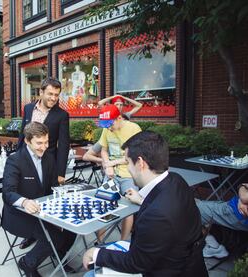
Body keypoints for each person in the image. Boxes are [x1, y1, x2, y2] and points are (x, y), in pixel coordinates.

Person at [83, 131, 208, 276]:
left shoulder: (157, 215)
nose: (127, 168)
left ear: (140, 163)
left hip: (168, 270)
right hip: (188, 262)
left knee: (90, 273)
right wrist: (142, 200)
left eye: (128, 162)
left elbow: (135, 263)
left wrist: (96, 254)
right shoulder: (176, 179)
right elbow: (166, 212)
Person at [2, 122, 75, 277]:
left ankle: (59, 254)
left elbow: (53, 185)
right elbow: (8, 192)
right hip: (19, 214)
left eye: (46, 142)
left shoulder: (49, 158)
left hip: (43, 210)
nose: (44, 147)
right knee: (55, 236)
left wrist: (64, 195)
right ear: (28, 141)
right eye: (39, 143)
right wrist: (24, 201)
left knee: (73, 226)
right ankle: (27, 262)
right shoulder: (15, 160)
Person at [17, 77, 70, 249]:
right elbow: (23, 136)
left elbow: (63, 145)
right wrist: (17, 158)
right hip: (26, 163)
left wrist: (61, 173)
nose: (53, 98)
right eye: (50, 94)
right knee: (28, 199)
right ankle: (30, 234)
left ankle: (48, 237)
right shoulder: (28, 108)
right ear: (41, 92)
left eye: (56, 95)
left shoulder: (62, 115)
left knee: (45, 201)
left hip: (49, 166)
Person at [98, 104, 141, 240]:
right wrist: (107, 165)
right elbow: (104, 150)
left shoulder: (134, 129)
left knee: (128, 210)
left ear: (119, 118)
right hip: (111, 174)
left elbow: (135, 156)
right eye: (106, 125)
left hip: (129, 175)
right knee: (102, 204)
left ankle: (123, 243)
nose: (108, 128)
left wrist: (112, 163)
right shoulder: (107, 129)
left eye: (110, 124)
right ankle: (100, 242)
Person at [195, 184, 248, 258]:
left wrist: (242, 186)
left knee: (191, 207)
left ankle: (214, 247)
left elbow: (244, 197)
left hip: (237, 214)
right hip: (236, 209)